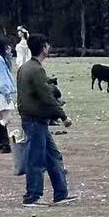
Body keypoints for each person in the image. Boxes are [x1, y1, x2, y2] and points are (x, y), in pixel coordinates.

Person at [17, 34, 70, 206]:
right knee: (36, 159)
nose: (49, 48)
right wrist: (63, 116)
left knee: (53, 156)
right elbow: (46, 96)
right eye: (47, 45)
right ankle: (32, 196)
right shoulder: (36, 70)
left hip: (35, 120)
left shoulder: (25, 67)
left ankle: (61, 194)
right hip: (34, 121)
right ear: (43, 47)